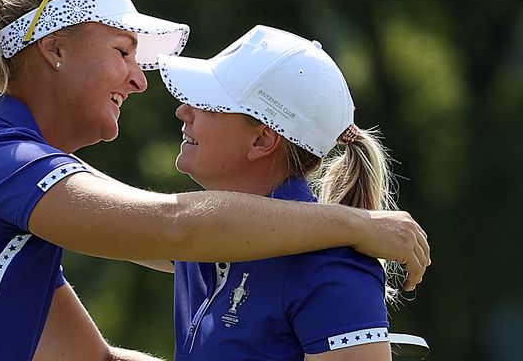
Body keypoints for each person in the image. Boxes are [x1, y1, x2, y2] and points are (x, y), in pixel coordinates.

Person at [0, 0, 429, 361]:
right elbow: (174, 226)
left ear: (267, 138)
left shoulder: (2, 176)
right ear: (54, 50)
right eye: (122, 52)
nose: (141, 82)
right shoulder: (6, 170)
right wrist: (356, 223)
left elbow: (97, 359)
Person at [156, 25, 400, 360]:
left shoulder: (332, 268)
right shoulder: (197, 235)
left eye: (208, 103)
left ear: (262, 141)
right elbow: (101, 222)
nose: (183, 111)